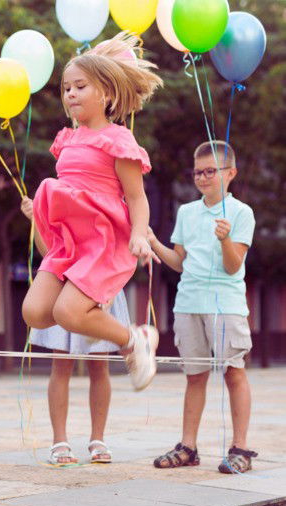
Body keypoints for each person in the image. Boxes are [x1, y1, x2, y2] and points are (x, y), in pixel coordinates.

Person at [21, 33, 162, 391]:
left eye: (80, 86)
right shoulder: (68, 138)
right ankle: (95, 318)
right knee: (35, 313)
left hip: (102, 240)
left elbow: (137, 197)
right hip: (69, 241)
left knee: (68, 313)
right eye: (66, 88)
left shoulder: (119, 140)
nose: (70, 94)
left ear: (107, 93)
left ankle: (134, 339)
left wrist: (137, 234)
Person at [149, 140, 257, 474]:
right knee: (194, 377)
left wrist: (225, 239)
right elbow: (179, 263)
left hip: (226, 305)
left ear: (231, 173)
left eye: (211, 171)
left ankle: (240, 448)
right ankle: (188, 447)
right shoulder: (187, 212)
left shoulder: (241, 213)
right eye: (198, 172)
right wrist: (154, 243)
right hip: (188, 303)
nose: (203, 178)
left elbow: (232, 266)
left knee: (233, 373)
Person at [21, 196, 129, 465]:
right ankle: (59, 440)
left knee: (99, 365)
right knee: (61, 364)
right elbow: (50, 251)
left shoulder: (112, 202)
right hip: (63, 284)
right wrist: (37, 219)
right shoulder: (64, 199)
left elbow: (120, 252)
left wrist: (109, 293)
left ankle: (98, 438)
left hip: (102, 285)